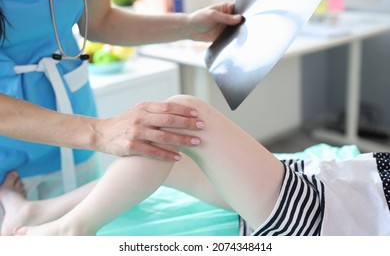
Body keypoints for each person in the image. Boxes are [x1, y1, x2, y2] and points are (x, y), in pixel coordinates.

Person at [0, 0, 243, 212]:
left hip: (70, 119)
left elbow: (100, 21)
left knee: (72, 224)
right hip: (12, 141)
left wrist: (187, 26)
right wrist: (98, 132)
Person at [1, 95, 390, 236]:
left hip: (332, 217)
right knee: (175, 149)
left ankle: (72, 229)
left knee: (181, 116)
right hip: (346, 185)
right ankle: (38, 211)